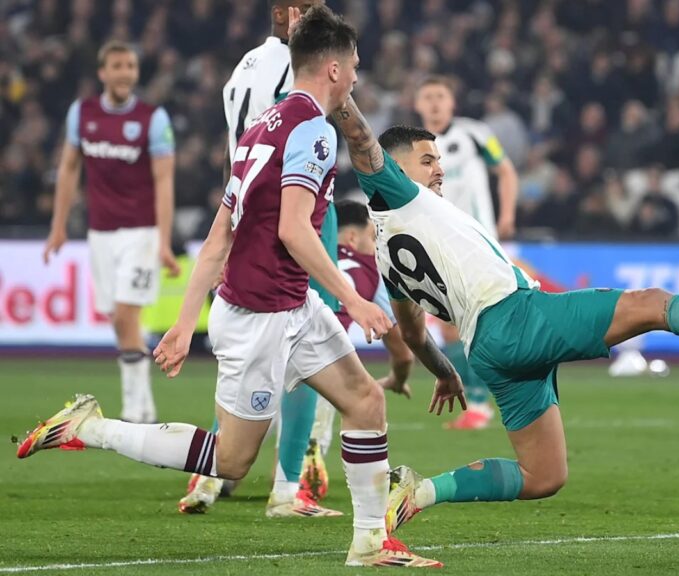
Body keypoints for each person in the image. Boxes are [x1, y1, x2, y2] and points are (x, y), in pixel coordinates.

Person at [18, 7, 441, 568]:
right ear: (334, 69)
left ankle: (369, 542)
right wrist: (354, 296)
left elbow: (221, 233)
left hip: (290, 303)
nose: (359, 77)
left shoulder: (262, 125)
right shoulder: (313, 131)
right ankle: (90, 427)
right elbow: (293, 229)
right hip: (260, 316)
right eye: (356, 66)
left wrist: (181, 320)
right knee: (232, 461)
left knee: (365, 401)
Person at [332, 99, 679, 537]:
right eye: (428, 161)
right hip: (517, 316)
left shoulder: (385, 258)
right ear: (394, 170)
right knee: (650, 304)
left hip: (490, 348)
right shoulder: (402, 195)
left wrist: (446, 372)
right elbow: (359, 136)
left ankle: (417, 493)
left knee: (543, 476)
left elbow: (414, 334)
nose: (440, 170)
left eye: (439, 159)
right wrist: (339, 87)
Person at [179, 0, 343, 519]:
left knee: (245, 352)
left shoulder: (244, 66)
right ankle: (287, 484)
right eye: (314, 7)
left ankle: (209, 476)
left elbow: (241, 147)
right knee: (301, 345)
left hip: (245, 202)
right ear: (295, 14)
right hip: (294, 203)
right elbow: (302, 138)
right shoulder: (298, 75)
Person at [43, 40, 178, 425]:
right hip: (99, 234)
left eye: (131, 66)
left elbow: (164, 180)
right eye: (117, 66)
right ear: (103, 72)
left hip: (141, 232)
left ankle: (137, 409)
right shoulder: (81, 114)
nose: (125, 73)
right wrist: (58, 227)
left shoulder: (153, 119)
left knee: (125, 314)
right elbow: (69, 169)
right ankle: (143, 402)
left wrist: (164, 241)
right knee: (117, 319)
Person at [414, 75, 520, 429]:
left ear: (452, 102)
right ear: (417, 104)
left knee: (478, 324)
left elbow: (506, 171)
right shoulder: (412, 146)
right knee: (447, 328)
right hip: (439, 246)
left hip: (479, 243)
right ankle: (477, 402)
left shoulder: (475, 134)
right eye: (427, 97)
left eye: (440, 96)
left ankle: (483, 402)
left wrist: (507, 214)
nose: (434, 103)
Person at [305, 199, 417, 501]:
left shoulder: (305, 251)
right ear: (353, 238)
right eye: (372, 237)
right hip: (319, 358)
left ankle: (212, 483)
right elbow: (403, 351)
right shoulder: (372, 269)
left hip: (277, 341)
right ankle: (305, 481)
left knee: (239, 442)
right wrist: (396, 377)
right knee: (356, 402)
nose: (375, 244)